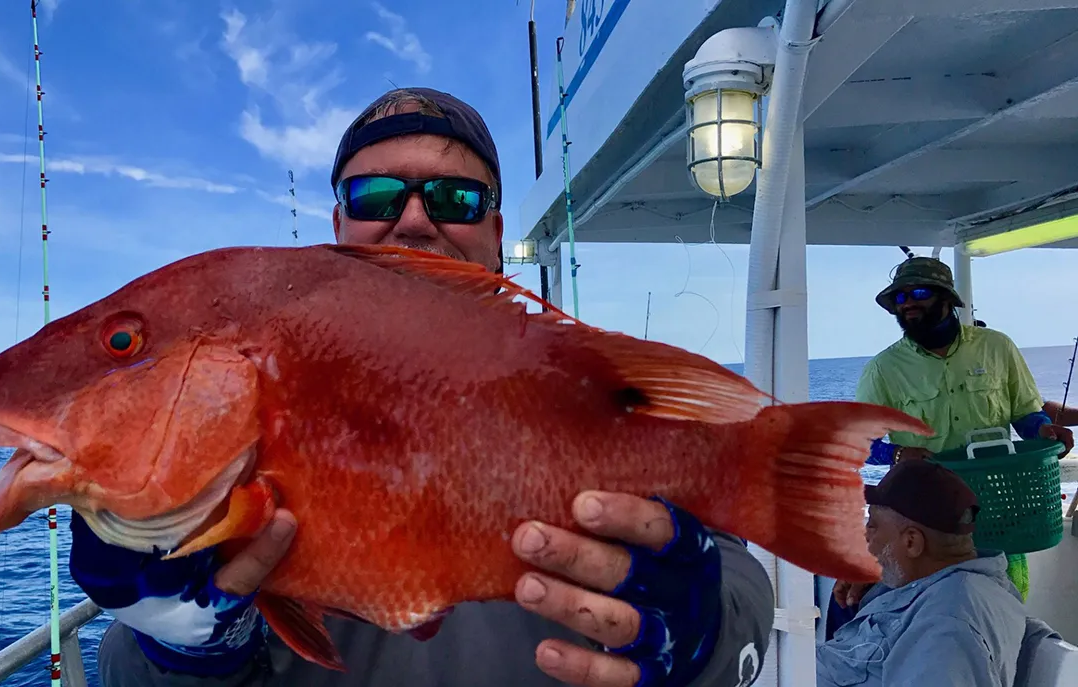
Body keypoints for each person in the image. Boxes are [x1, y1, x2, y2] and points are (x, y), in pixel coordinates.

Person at [69, 87, 776, 687]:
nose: (412, 219)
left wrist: (704, 632)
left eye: (453, 197)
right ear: (338, 223)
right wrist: (184, 644)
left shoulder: (593, 396)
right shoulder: (247, 403)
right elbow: (127, 667)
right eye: (374, 193)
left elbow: (746, 600)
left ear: (495, 232)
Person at [855, 256, 1073, 599]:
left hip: (1000, 504)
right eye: (900, 298)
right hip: (925, 514)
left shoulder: (997, 347)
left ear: (947, 299)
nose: (908, 303)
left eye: (920, 292)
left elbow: (1026, 413)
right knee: (936, 603)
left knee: (1006, 598)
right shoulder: (882, 370)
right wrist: (897, 452)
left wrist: (1044, 430)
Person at [818, 460, 1053, 686]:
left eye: (873, 525)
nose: (866, 534)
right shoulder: (938, 582)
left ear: (911, 542)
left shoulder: (945, 628)